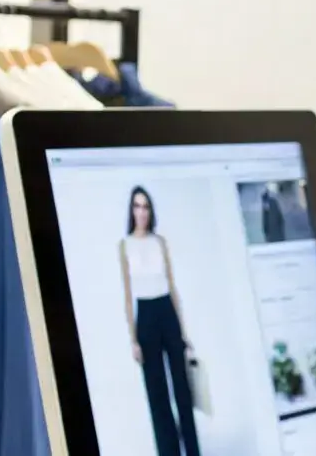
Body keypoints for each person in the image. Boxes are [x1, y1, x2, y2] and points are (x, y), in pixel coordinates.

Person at [119, 186, 201, 456]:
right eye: (137, 206)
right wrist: (132, 339)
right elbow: (128, 295)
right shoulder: (125, 245)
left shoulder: (160, 242)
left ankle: (192, 450)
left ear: (150, 211)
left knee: (182, 389)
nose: (141, 212)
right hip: (146, 315)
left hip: (166, 309)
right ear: (131, 211)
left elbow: (173, 286)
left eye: (145, 207)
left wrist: (184, 332)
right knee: (157, 394)